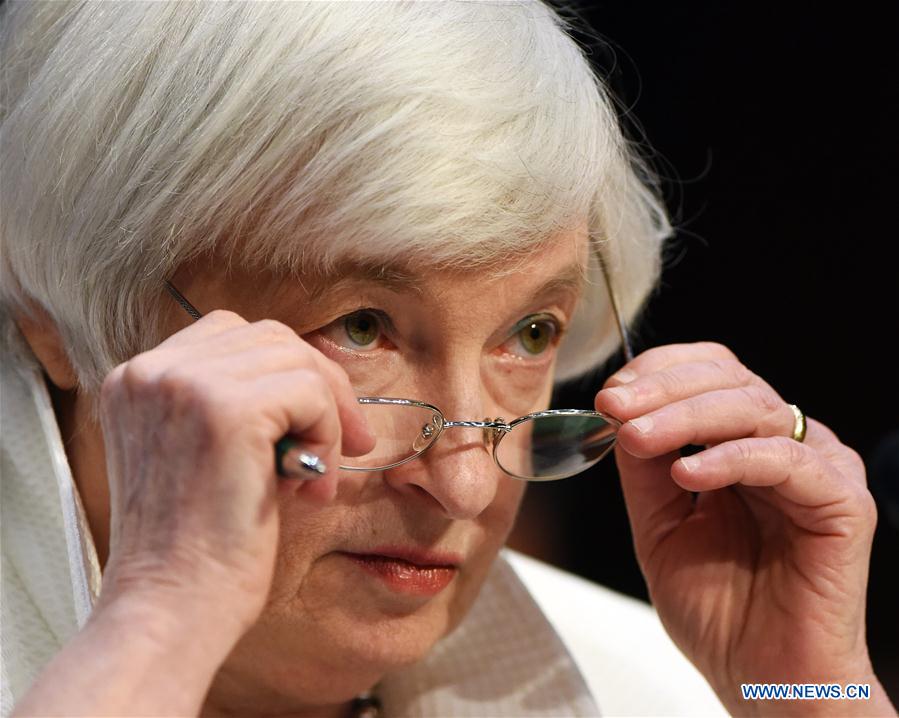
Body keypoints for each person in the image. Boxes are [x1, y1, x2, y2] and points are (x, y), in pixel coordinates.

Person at [0, 2, 893, 716]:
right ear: (59, 313)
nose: (466, 486)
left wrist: (810, 690)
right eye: (361, 327)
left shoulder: (676, 686)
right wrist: (160, 619)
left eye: (529, 334)